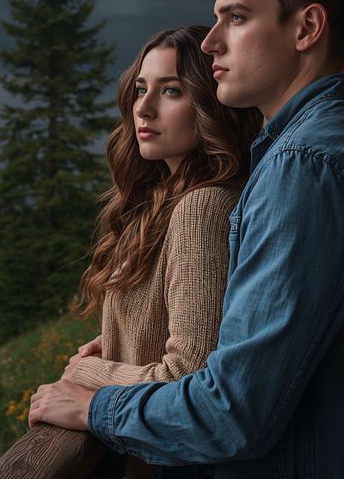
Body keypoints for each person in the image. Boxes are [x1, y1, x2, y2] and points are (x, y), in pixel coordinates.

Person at [29, 0, 344, 478]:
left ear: (307, 28)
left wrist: (93, 397)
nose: (211, 41)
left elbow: (232, 411)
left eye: (237, 17)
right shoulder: (329, 152)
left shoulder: (309, 168)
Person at [33, 25, 261, 477]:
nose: (144, 106)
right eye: (141, 89)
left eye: (171, 90)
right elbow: (180, 323)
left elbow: (187, 378)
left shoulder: (204, 206)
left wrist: (86, 374)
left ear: (210, 104)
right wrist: (117, 342)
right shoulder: (165, 199)